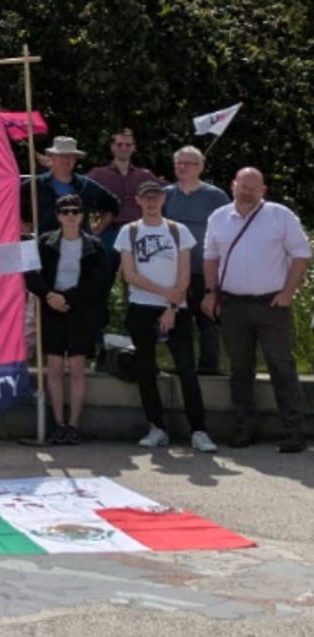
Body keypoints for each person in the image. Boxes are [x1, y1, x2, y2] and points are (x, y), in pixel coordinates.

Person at [201, 167, 310, 453]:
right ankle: (244, 429)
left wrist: (287, 294)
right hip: (232, 304)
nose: (248, 191)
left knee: (281, 367)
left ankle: (294, 431)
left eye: (254, 187)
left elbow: (301, 255)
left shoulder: (280, 215)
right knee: (240, 369)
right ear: (233, 185)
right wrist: (211, 294)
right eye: (243, 186)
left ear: (263, 190)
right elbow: (210, 258)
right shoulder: (218, 217)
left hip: (272, 304)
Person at [115, 182, 216, 452]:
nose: (151, 203)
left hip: (176, 309)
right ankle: (156, 427)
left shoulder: (177, 230)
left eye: (156, 197)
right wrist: (164, 294)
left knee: (186, 369)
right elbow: (130, 274)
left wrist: (171, 305)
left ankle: (199, 430)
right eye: (146, 198)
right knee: (146, 369)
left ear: (163, 200)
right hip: (141, 307)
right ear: (138, 200)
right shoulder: (129, 231)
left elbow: (185, 272)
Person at [24, 195, 108, 444]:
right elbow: (30, 274)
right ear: (58, 215)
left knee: (78, 369)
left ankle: (74, 425)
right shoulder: (44, 242)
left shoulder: (95, 245)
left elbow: (99, 281)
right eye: (65, 211)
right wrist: (49, 295)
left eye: (75, 211)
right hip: (51, 309)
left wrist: (67, 298)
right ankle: (58, 423)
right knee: (55, 368)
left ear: (82, 215)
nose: (70, 215)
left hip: (80, 311)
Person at [162, 146, 230, 374]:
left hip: (206, 271)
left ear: (200, 167)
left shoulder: (216, 196)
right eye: (178, 163)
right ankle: (183, 367)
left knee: (207, 321)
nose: (182, 167)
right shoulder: (166, 194)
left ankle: (209, 369)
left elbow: (228, 230)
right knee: (178, 322)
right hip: (173, 271)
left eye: (188, 163)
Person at [20, 136, 120, 236]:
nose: (66, 160)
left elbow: (113, 204)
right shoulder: (35, 185)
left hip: (80, 244)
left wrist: (97, 229)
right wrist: (24, 227)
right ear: (52, 157)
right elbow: (11, 204)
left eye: (70, 156)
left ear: (75, 159)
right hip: (46, 243)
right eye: (61, 155)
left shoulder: (86, 185)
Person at [87, 129, 165, 254]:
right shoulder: (98, 174)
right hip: (108, 233)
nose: (124, 148)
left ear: (134, 148)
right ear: (112, 147)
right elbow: (77, 191)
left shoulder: (144, 175)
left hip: (138, 233)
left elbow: (168, 190)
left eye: (128, 145)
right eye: (119, 144)